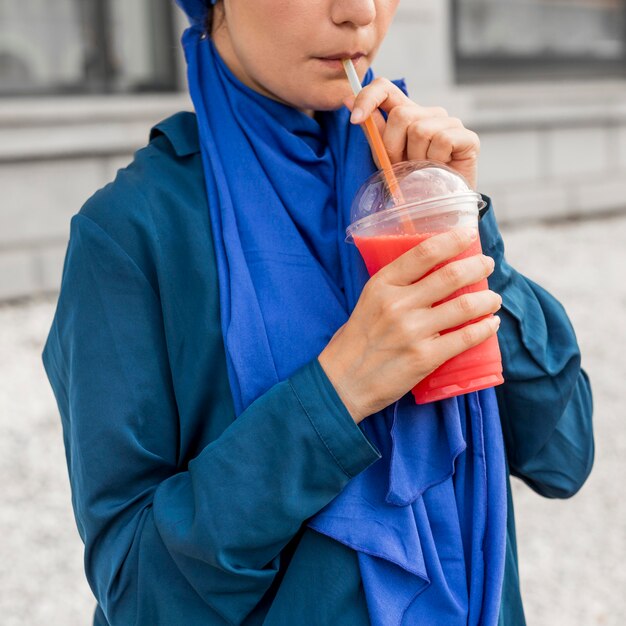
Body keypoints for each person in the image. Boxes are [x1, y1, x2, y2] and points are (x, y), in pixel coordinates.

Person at [41, 1, 594, 624]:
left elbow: (562, 453)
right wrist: (335, 396)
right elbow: (139, 591)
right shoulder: (133, 231)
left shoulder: (406, 176)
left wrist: (460, 224)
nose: (359, 11)